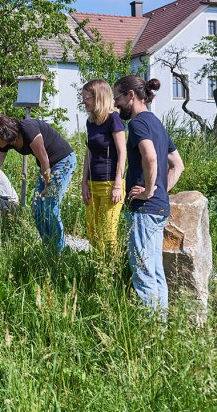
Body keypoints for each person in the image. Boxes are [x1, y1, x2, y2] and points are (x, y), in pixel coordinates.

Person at [113, 75, 185, 315]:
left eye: (118, 98)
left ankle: (150, 331)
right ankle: (160, 328)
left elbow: (151, 157)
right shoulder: (157, 123)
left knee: (143, 272)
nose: (116, 104)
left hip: (144, 211)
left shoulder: (137, 124)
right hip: (159, 208)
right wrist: (160, 190)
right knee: (155, 272)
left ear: (131, 96)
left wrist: (147, 190)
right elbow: (178, 165)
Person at [0, 114, 76, 251]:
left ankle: (59, 251)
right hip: (45, 167)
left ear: (5, 134)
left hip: (62, 161)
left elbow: (44, 159)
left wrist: (47, 185)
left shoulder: (28, 129)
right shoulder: (6, 143)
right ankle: (48, 247)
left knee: (49, 205)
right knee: (37, 209)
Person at [81, 79, 127, 253]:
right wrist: (84, 182)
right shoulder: (90, 122)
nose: (84, 101)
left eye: (87, 97)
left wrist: (117, 184)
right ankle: (99, 268)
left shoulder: (114, 119)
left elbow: (123, 153)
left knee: (108, 235)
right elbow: (89, 153)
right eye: (83, 97)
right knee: (92, 233)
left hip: (110, 185)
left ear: (99, 97)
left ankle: (113, 271)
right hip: (92, 185)